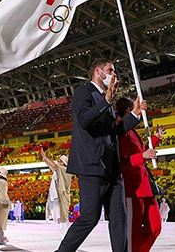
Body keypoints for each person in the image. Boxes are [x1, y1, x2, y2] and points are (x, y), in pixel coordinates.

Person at [56, 59, 146, 252]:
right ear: (98, 72)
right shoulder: (84, 92)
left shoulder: (107, 100)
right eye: (110, 70)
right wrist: (106, 100)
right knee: (90, 217)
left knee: (119, 219)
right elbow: (84, 120)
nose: (114, 75)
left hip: (112, 168)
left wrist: (135, 115)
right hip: (92, 166)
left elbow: (114, 131)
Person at [117, 97, 164, 252]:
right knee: (133, 232)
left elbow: (143, 149)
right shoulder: (119, 133)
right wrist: (142, 157)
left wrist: (156, 138)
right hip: (133, 189)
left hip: (146, 187)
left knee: (155, 227)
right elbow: (121, 163)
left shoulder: (132, 131)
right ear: (128, 111)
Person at [41, 149, 72, 232]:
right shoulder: (59, 170)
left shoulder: (65, 170)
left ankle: (66, 235)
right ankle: (65, 234)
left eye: (59, 161)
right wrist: (45, 159)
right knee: (59, 216)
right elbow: (53, 167)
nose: (58, 162)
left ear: (63, 163)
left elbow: (54, 166)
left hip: (62, 196)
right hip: (57, 196)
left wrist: (46, 157)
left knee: (63, 217)